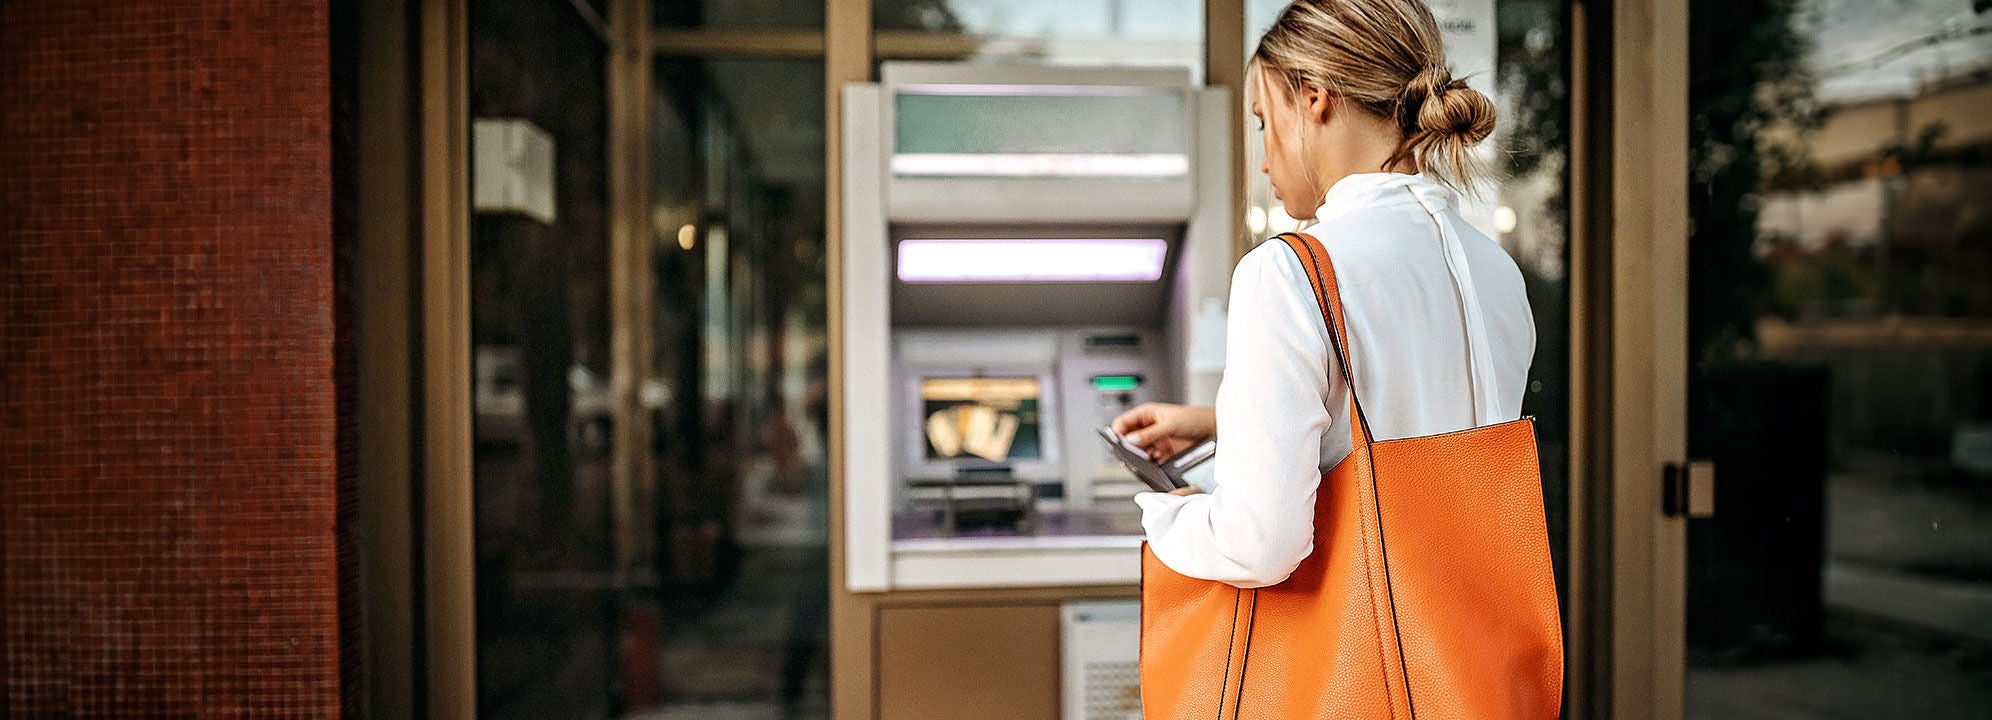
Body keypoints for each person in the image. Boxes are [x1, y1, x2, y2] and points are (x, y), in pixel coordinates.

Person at [1112, 0, 1535, 588]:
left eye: (1263, 120)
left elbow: (1258, 547)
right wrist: (1223, 424)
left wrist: (1171, 511)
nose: (1263, 160)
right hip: (1469, 653)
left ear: (1315, 96)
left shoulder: (1290, 271)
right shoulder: (1493, 268)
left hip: (1361, 662)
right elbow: (1417, 442)